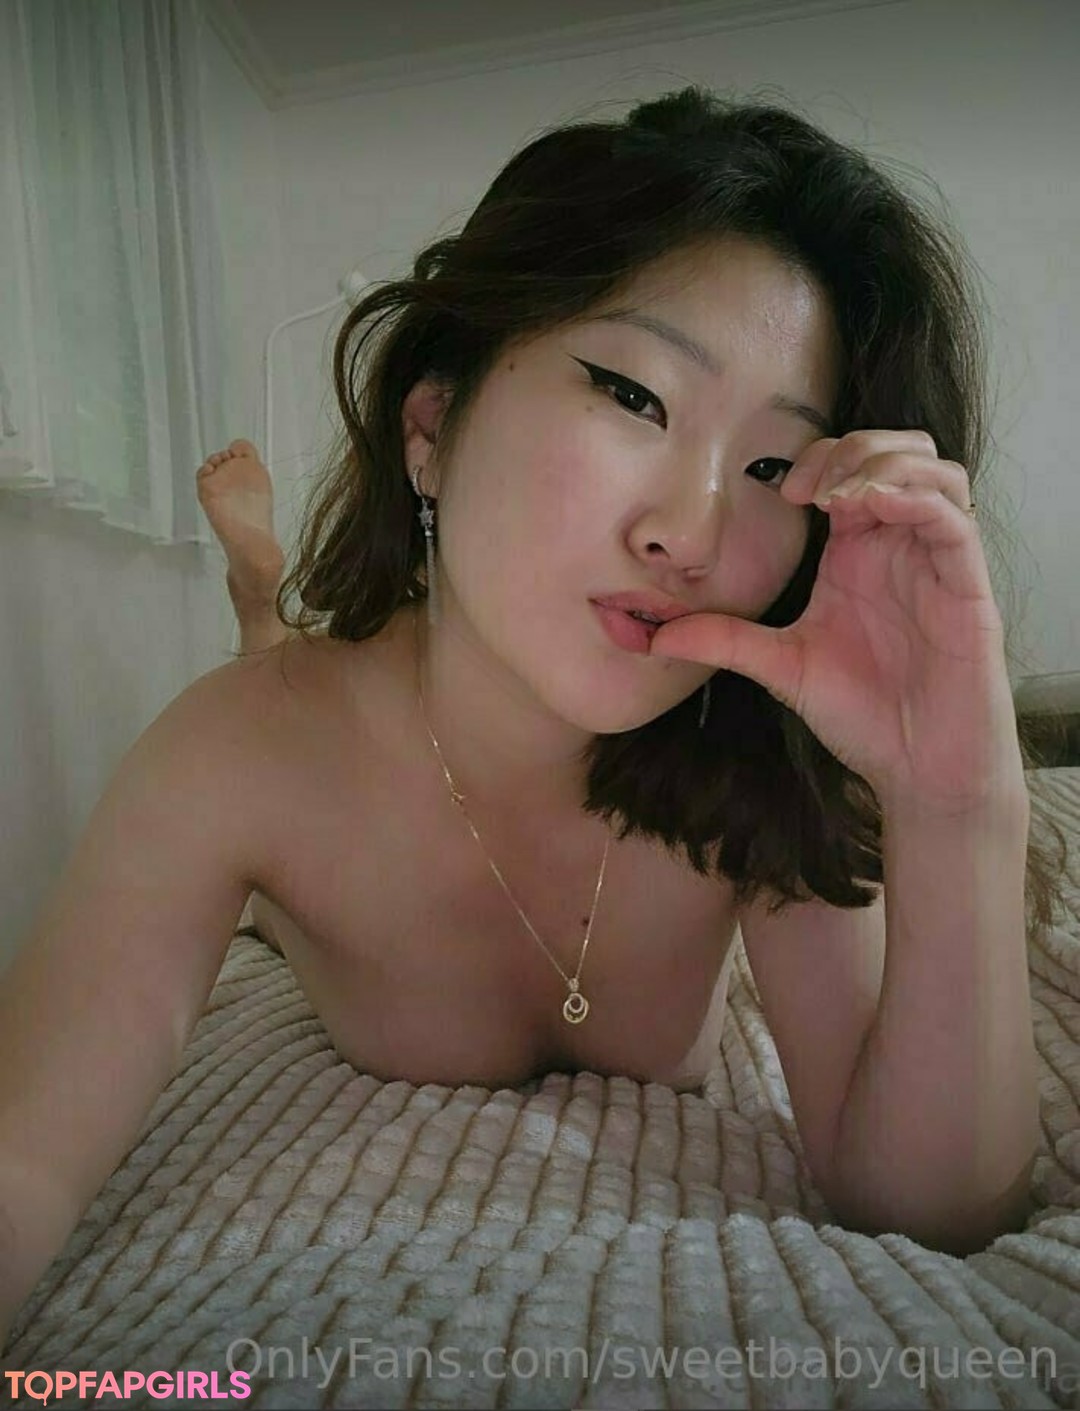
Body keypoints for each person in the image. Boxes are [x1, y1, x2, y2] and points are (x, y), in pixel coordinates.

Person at [1, 84, 1069, 1349]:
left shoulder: (759, 756)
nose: (691, 534)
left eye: (774, 466)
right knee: (274, 775)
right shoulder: (234, 754)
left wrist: (959, 805)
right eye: (634, 396)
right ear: (432, 426)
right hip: (320, 755)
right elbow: (26, 1157)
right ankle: (263, 611)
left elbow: (930, 1206)